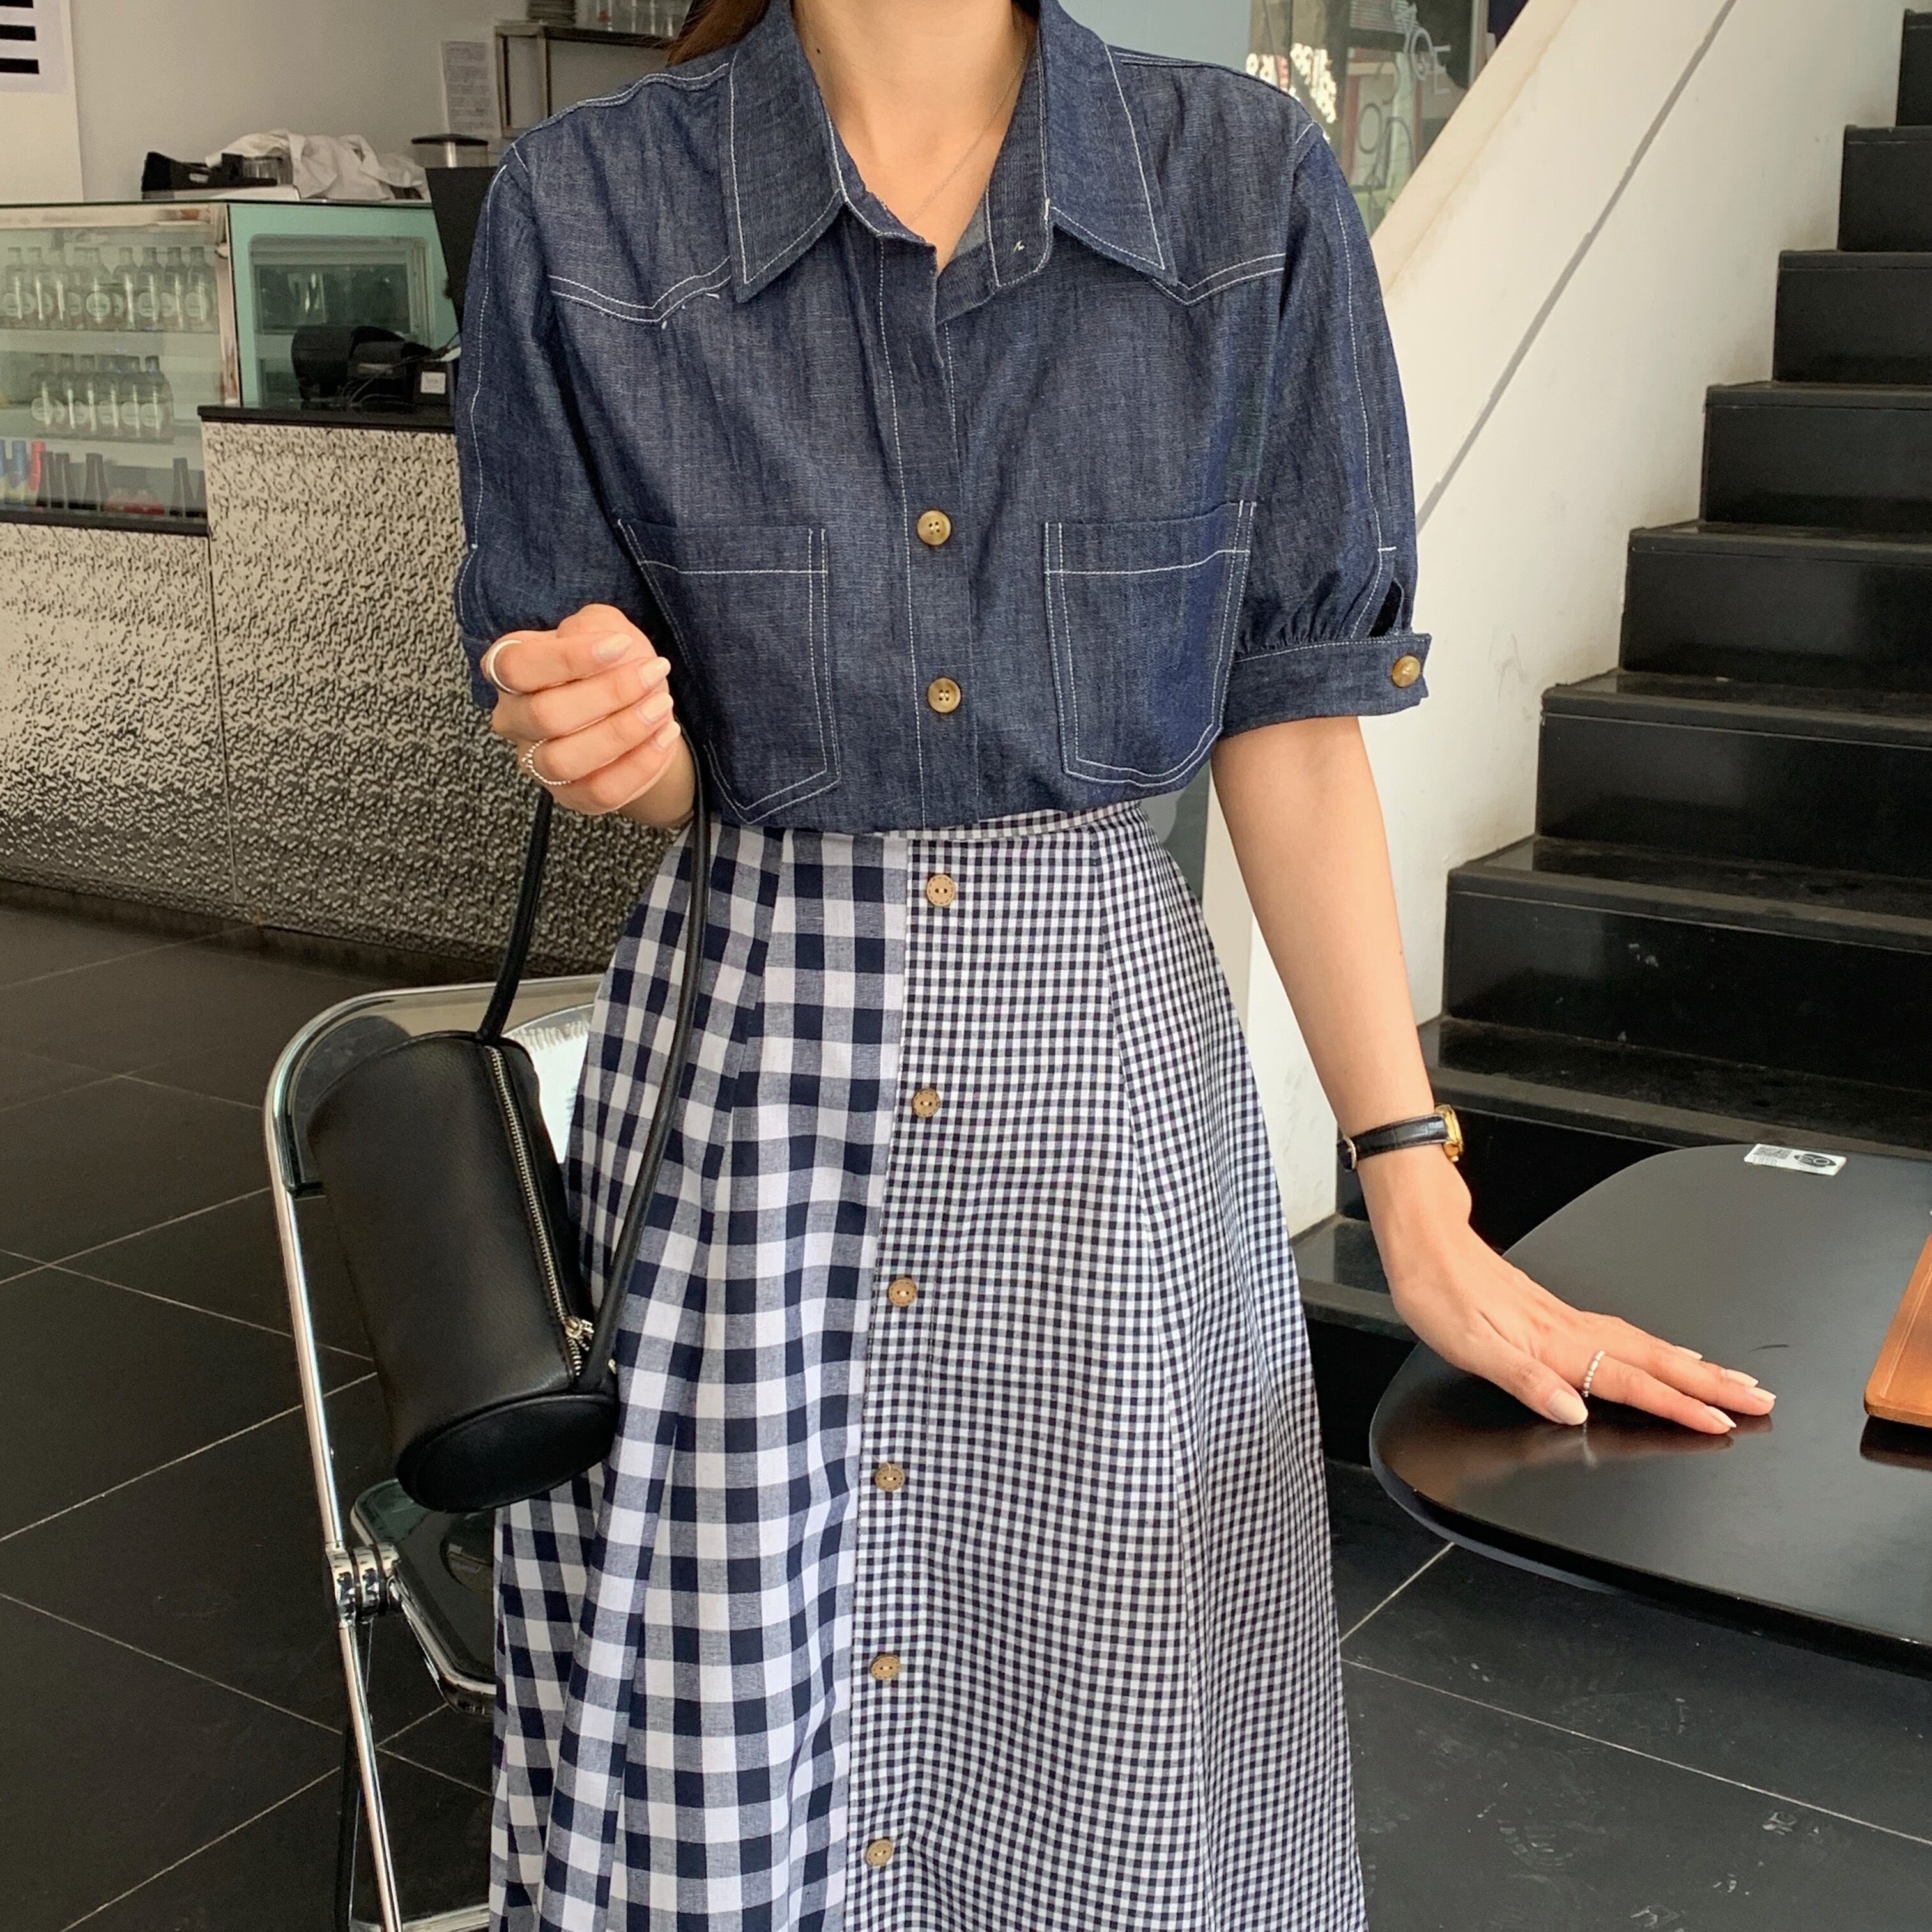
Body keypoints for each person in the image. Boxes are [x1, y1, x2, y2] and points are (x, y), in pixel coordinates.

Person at [451, 1, 1778, 1924]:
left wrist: (1415, 1195)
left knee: (1114, 1759)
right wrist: (612, 742)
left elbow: (1288, 725)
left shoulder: (1242, 188)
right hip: (748, 1111)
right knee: (733, 1745)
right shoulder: (585, 206)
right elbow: (642, 761)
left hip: (1107, 1117)